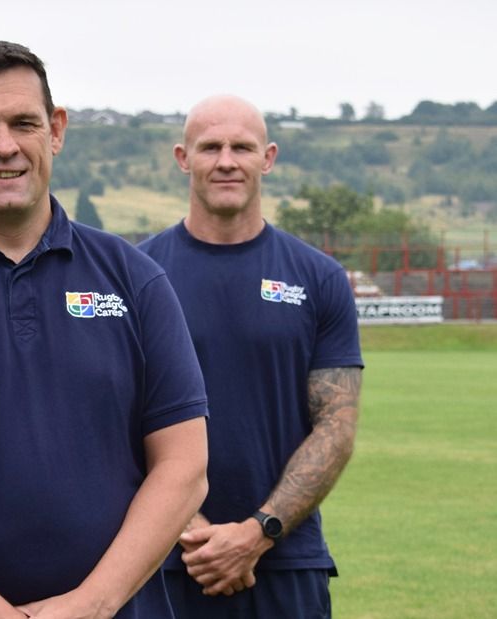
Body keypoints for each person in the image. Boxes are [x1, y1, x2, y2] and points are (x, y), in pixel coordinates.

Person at [0, 40, 209, 618]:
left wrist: (91, 606)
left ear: (55, 130)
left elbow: (184, 467)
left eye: (23, 122)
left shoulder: (134, 280)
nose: (4, 145)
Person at [139, 95, 364, 618]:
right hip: (161, 560)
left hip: (286, 559)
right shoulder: (137, 276)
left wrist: (257, 532)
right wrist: (191, 531)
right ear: (182, 157)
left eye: (241, 147)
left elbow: (336, 426)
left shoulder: (318, 278)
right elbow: (114, 420)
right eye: (209, 146)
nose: (225, 160)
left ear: (268, 157)